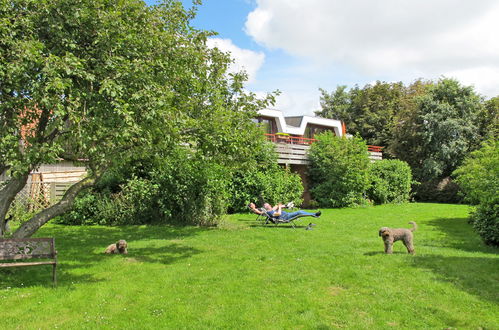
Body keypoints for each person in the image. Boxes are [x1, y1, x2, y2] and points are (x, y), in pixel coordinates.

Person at [248, 202, 321, 221]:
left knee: (300, 211)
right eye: (268, 205)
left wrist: (279, 206)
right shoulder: (270, 212)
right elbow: (278, 214)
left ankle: (314, 214)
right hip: (286, 217)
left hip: (287, 214)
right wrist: (279, 207)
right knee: (300, 212)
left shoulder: (270, 210)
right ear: (267, 207)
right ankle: (314, 214)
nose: (270, 205)